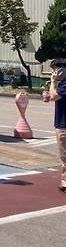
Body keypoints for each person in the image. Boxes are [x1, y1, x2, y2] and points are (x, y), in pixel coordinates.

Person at [48, 58, 66, 193]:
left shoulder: (64, 85)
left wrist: (53, 81)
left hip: (63, 124)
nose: (53, 72)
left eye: (54, 69)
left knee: (64, 155)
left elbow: (53, 96)